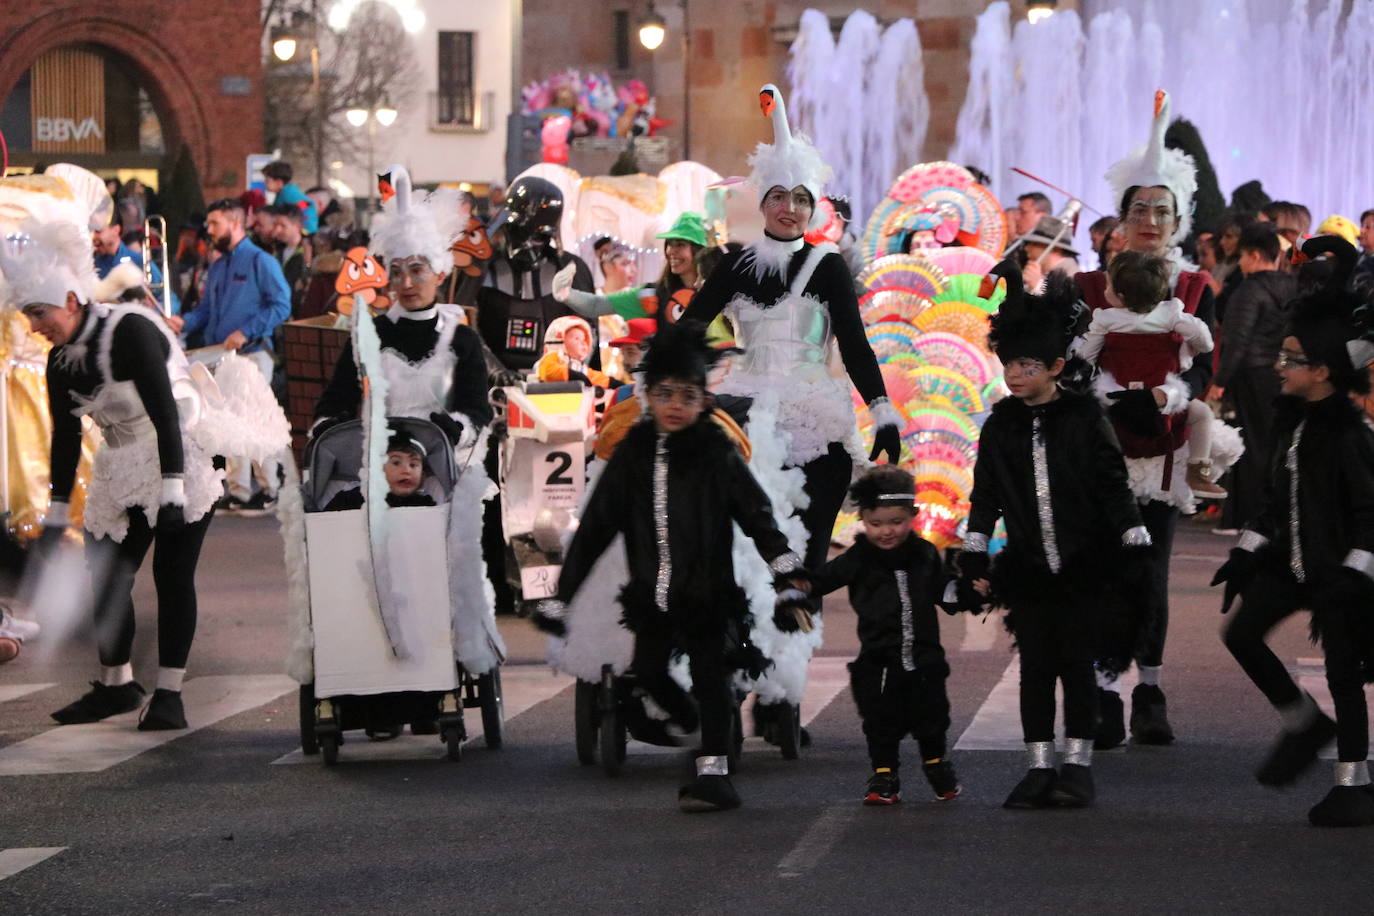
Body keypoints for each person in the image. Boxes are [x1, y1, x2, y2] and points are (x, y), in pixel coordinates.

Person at [679, 84, 901, 726]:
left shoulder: (829, 265)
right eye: (779, 196)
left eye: (802, 198)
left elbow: (854, 346)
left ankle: (785, 691)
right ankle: (740, 662)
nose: (790, 208)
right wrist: (663, 379)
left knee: (804, 561)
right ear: (763, 201)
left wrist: (882, 408)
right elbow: (694, 327)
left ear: (813, 206)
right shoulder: (734, 263)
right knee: (748, 550)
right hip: (749, 414)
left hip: (814, 419)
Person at [531, 320, 805, 813]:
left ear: (703, 399)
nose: (675, 405)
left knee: (712, 677)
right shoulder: (632, 454)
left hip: (707, 595)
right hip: (651, 598)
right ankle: (692, 722)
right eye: (664, 394)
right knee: (649, 674)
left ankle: (713, 774)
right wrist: (561, 597)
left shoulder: (718, 453)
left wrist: (786, 570)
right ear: (648, 396)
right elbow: (595, 530)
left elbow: (757, 515)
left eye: (686, 394)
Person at [3, 218, 221, 730]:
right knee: (104, 576)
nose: (35, 325)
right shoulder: (60, 360)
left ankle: (169, 692)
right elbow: (65, 438)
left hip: (182, 451)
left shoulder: (132, 330)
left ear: (73, 300)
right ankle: (117, 684)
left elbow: (166, 412)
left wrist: (173, 491)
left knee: (171, 575)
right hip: (122, 461)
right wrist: (57, 515)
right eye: (29, 315)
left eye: (40, 312)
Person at [958, 264, 1151, 808]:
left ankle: (1078, 766)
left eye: (1027, 365)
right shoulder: (1000, 424)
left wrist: (1134, 540)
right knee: (1035, 668)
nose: (1015, 376)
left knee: (1077, 666)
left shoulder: (1084, 418)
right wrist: (973, 560)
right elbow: (985, 496)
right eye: (1009, 365)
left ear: (1057, 366)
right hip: (1028, 571)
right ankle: (1039, 766)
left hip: (1085, 565)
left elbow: (1114, 484)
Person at [1215, 236, 1374, 827]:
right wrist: (1246, 553)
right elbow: (1272, 501)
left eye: (1290, 359)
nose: (1278, 366)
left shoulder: (1348, 433)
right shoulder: (1293, 422)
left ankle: (1354, 782)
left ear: (1324, 371)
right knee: (1242, 634)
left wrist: (1355, 576)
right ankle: (1304, 721)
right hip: (1294, 563)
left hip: (1337, 571)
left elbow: (1368, 515)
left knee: (1344, 672)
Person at [1075, 90, 1218, 746]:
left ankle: (1151, 691)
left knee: (1151, 570)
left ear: (1177, 217)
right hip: (1101, 449)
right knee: (1107, 570)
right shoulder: (1086, 286)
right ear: (1123, 217)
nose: (1152, 220)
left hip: (1161, 447)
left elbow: (1206, 366)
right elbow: (1070, 360)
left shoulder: (1195, 289)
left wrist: (1162, 398)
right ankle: (1105, 691)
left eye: (1162, 210)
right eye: (1141, 209)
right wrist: (1105, 395)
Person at [801, 465, 961, 806]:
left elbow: (942, 590)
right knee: (879, 720)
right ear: (862, 520)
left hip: (924, 656)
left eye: (895, 522)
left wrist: (962, 589)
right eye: (876, 524)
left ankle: (936, 765)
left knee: (931, 716)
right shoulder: (859, 557)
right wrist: (796, 587)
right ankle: (884, 775)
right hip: (878, 658)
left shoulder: (925, 554)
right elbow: (824, 578)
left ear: (912, 516)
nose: (886, 531)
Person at [172, 197, 291, 515]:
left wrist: (247, 331)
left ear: (235, 223)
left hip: (252, 354)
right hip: (222, 357)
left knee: (254, 420)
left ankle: (271, 489)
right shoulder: (219, 264)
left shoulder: (260, 261)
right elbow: (207, 311)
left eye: (215, 223)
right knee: (230, 422)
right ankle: (238, 490)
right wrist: (185, 321)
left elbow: (282, 304)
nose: (209, 230)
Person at [1074, 249, 1226, 498]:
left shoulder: (1105, 319)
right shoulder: (1172, 313)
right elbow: (1204, 340)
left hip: (1117, 395)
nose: (1104, 291)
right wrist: (1199, 345)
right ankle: (1198, 471)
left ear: (1120, 295)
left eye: (1108, 286)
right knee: (1202, 414)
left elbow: (1087, 356)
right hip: (1164, 395)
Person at [1209, 223, 1297, 532]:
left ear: (1255, 255)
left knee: (1247, 445)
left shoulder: (1248, 290)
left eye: (1243, 256)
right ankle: (1272, 516)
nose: (1241, 263)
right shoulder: (1291, 285)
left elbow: (1238, 340)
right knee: (1275, 445)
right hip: (1284, 374)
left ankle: (1244, 516)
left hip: (1251, 375)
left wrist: (1220, 379)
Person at [323, 428, 439, 511]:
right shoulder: (352, 499)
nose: (407, 470)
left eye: (413, 464)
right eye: (396, 462)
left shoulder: (425, 505)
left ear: (423, 475)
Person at [1019, 215, 1081, 290]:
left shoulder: (1072, 277)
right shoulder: (1045, 272)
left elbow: (1064, 301)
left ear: (1055, 248)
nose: (1027, 248)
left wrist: (1037, 286)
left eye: (1034, 244)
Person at [262, 160, 319, 235]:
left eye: (267, 180)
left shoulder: (289, 196)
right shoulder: (284, 194)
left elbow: (307, 207)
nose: (265, 183)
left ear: (279, 182)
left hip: (304, 235)